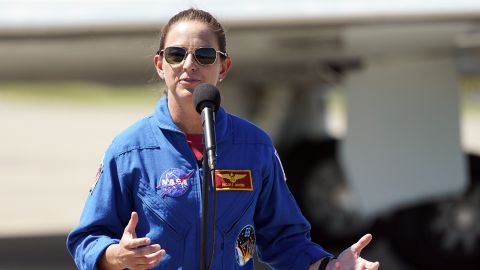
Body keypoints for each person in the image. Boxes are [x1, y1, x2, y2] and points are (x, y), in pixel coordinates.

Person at [66, 8, 380, 270]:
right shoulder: (130, 149)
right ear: (160, 65)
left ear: (223, 67)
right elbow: (87, 239)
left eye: (204, 55)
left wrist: (329, 265)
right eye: (176, 54)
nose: (189, 64)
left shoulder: (255, 147)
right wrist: (114, 256)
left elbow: (284, 240)